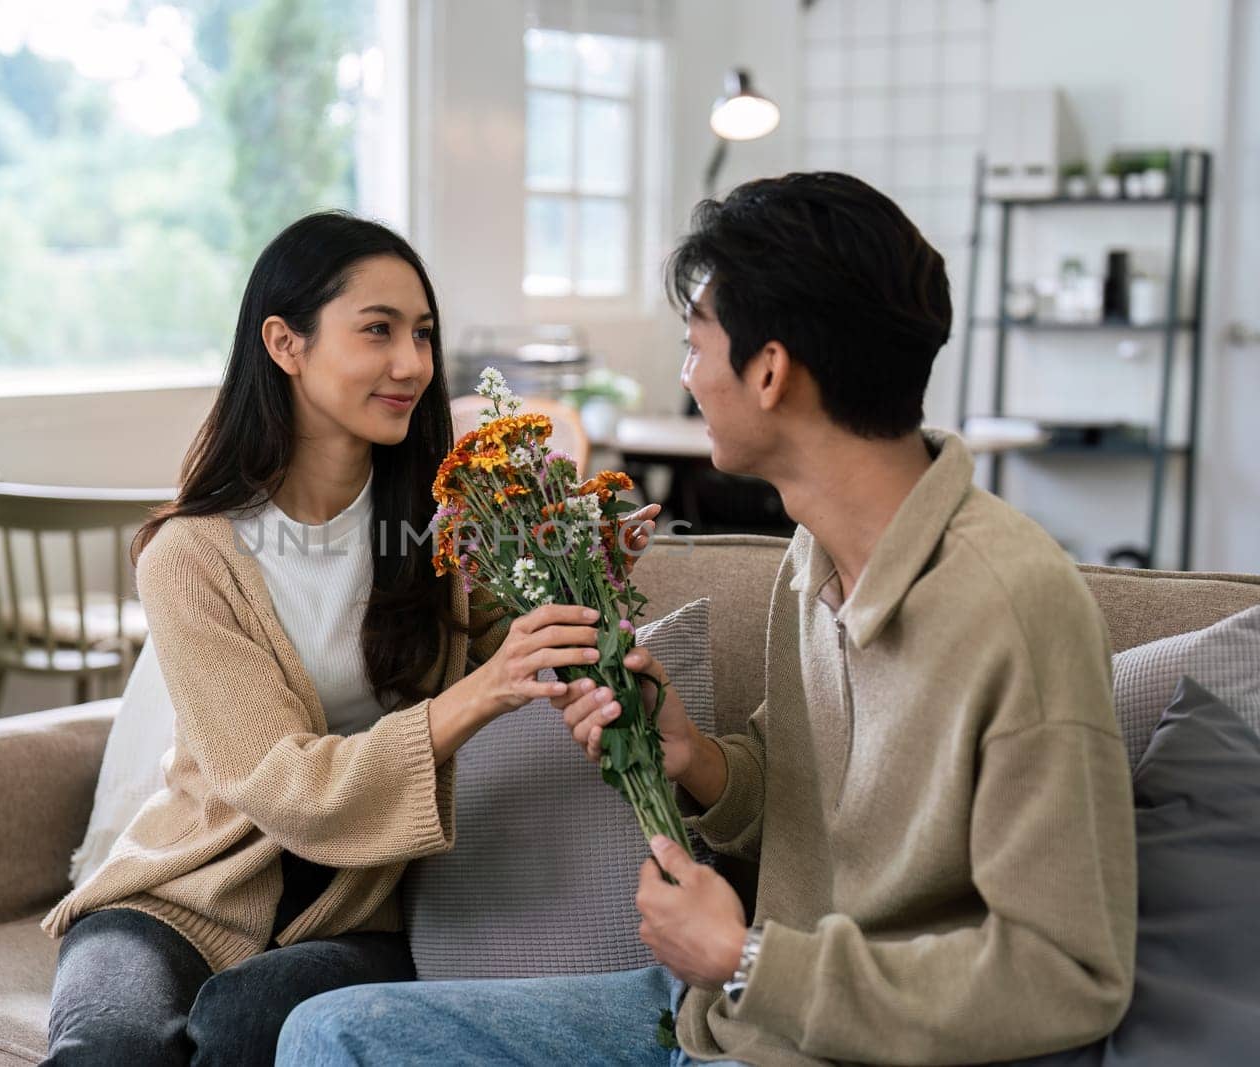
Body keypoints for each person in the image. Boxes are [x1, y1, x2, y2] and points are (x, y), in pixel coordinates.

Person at [277, 173, 1137, 1066]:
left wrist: (746, 958)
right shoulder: (814, 559)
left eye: (695, 345)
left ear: (770, 371)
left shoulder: (1015, 604)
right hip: (727, 1016)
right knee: (332, 1033)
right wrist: (695, 755)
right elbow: (801, 797)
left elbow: (1069, 972)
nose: (687, 377)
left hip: (816, 1033)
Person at [37, 211, 651, 1065]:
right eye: (378, 330)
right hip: (181, 894)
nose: (413, 363)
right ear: (285, 343)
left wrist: (589, 571)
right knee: (110, 1046)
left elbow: (529, 651)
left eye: (423, 334)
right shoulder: (191, 556)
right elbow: (278, 782)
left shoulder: (446, 535)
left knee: (249, 1022)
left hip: (361, 908)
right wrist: (478, 693)